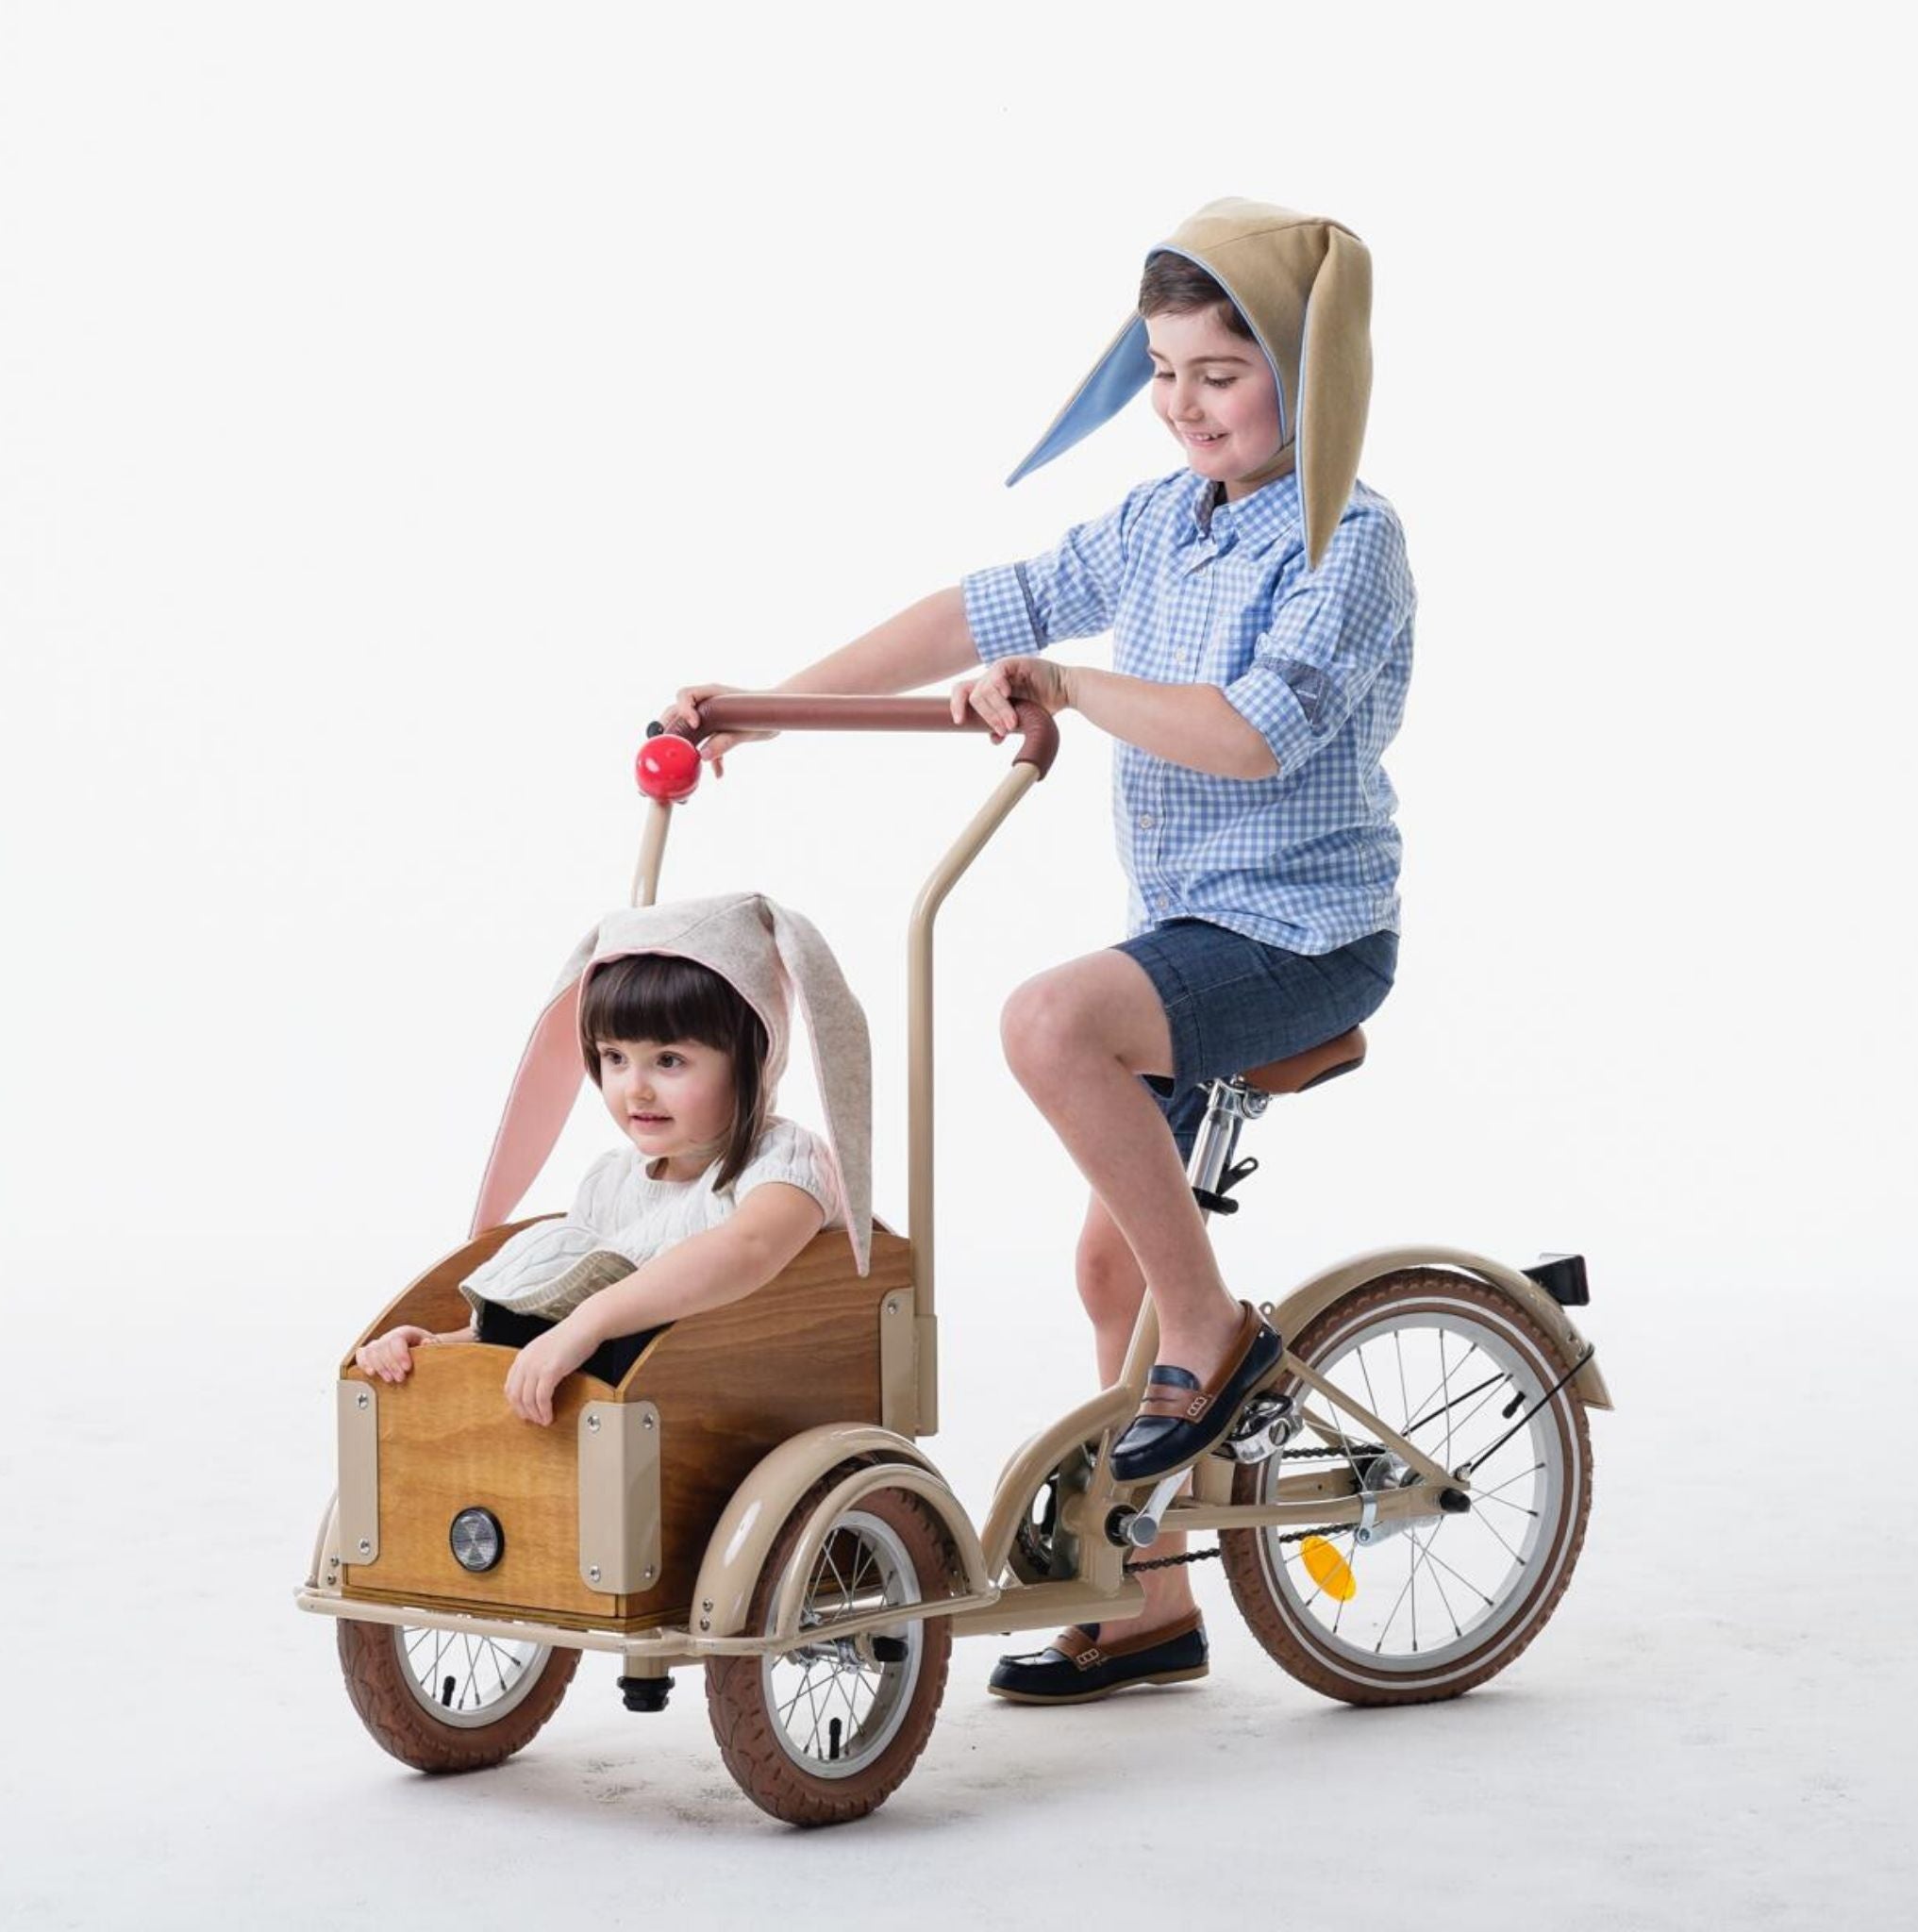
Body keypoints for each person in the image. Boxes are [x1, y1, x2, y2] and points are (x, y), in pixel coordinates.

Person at [663, 199, 1414, 1703]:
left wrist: (1068, 684)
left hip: (1309, 936)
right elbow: (977, 607)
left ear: (1307, 379)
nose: (1188, 404)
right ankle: (1144, 1602)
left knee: (1048, 1024)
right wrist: (771, 702)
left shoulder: (1352, 540)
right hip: (1194, 933)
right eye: (1162, 371)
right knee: (1106, 1261)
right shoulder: (1159, 521)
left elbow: (1254, 735)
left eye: (1223, 370)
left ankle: (1217, 1329)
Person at [358, 892, 873, 1428]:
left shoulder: (784, 1162)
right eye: (614, 1058)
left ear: (752, 1060)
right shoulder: (611, 1180)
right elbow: (554, 1301)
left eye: (669, 1061)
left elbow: (747, 1248)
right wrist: (451, 1346)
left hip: (713, 1407)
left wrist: (591, 1322)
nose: (635, 1090)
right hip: (595, 1402)